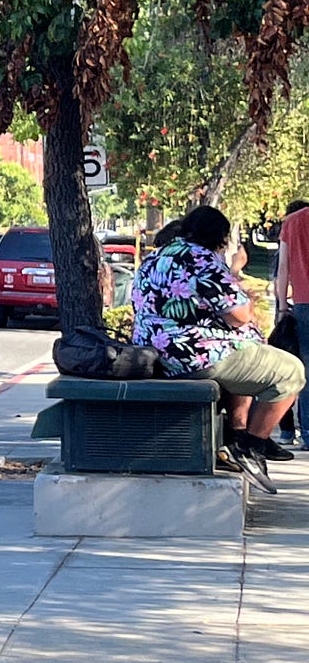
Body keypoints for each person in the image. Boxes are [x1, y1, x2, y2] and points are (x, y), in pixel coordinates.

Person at [130, 204, 305, 480]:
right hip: (193, 356)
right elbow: (239, 314)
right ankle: (251, 446)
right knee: (291, 371)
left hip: (153, 352)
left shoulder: (155, 259)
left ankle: (238, 433)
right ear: (219, 239)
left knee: (249, 352)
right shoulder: (202, 259)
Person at [273, 198, 309, 447]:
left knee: (307, 370)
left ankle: (308, 433)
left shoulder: (293, 222)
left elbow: (283, 268)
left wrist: (283, 307)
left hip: (303, 304)